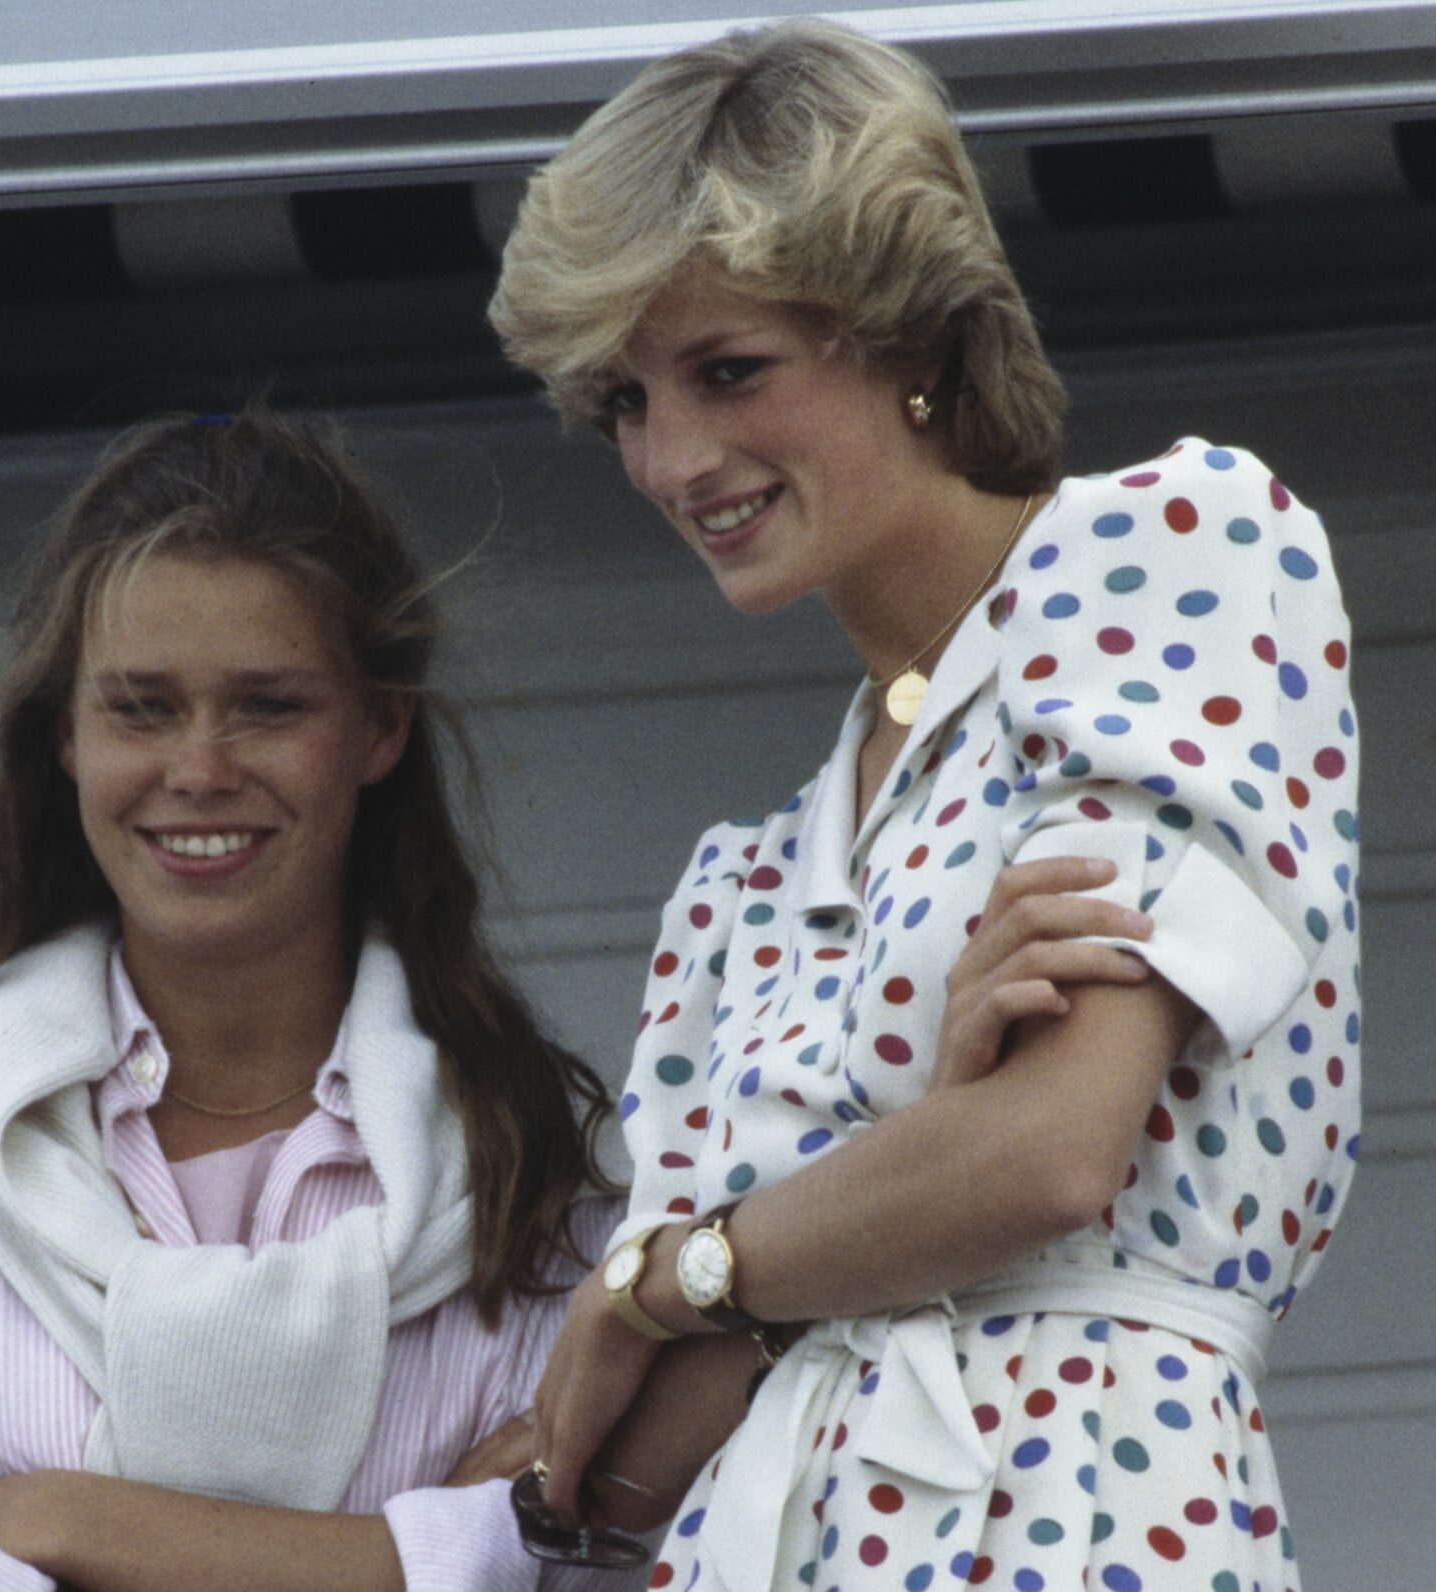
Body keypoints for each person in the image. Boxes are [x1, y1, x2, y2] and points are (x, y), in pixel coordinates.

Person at [488, 17, 1362, 1592]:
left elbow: (1046, 1160)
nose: (673, 460)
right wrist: (901, 1164)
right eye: (621, 401)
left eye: (727, 371)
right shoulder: (740, 890)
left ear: (908, 335)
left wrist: (668, 1280)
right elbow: (614, 1472)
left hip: (1083, 1521)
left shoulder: (1165, 557)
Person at [0, 405, 630, 1592]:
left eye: (269, 705)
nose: (200, 768)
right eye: (141, 707)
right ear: (66, 737)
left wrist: (71, 1523)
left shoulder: (542, 1187)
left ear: (381, 725)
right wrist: (415, 1558)